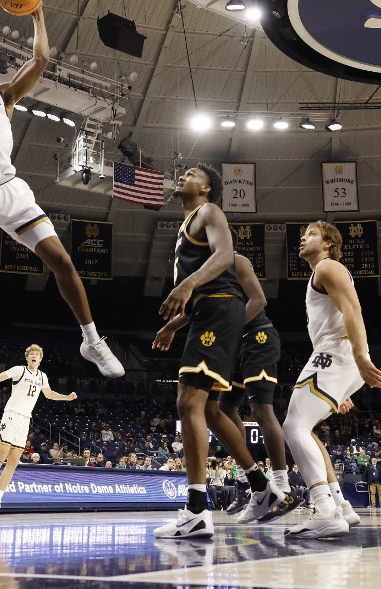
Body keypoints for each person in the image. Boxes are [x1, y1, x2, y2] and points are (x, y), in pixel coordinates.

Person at [0, 0, 123, 417]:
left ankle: (92, 340)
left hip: (10, 189)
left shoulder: (5, 97)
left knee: (63, 262)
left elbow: (40, 59)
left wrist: (37, 13)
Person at [151, 164, 283, 539]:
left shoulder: (209, 212)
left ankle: (196, 510)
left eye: (192, 173)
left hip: (217, 311)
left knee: (188, 403)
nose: (182, 175)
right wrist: (173, 326)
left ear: (207, 188)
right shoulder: (189, 221)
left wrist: (187, 285)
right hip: (212, 313)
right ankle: (260, 486)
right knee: (208, 409)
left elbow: (225, 255)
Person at [156, 247, 291, 516]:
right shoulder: (202, 271)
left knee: (261, 409)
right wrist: (170, 327)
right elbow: (197, 310)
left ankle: (281, 484)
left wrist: (229, 327)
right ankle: (250, 485)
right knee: (221, 410)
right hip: (229, 343)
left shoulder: (235, 260)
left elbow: (259, 300)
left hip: (255, 336)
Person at [281, 222, 381, 539]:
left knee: (293, 427)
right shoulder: (323, 272)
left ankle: (325, 512)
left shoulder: (328, 267)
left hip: (338, 352)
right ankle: (341, 506)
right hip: (339, 358)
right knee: (306, 430)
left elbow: (353, 309)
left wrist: (361, 356)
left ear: (328, 243)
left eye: (311, 234)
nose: (303, 237)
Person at [0, 344, 77, 516]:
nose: (33, 356)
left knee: (14, 461)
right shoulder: (19, 370)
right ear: (27, 357)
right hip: (11, 415)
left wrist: (66, 398)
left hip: (24, 419)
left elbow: (49, 394)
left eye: (36, 354)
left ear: (40, 359)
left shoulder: (42, 376)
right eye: (31, 354)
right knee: (1, 456)